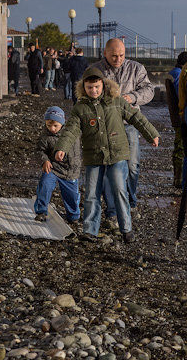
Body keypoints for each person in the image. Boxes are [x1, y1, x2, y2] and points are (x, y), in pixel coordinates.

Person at [55, 66, 159, 242]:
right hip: (94, 156)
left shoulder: (116, 101)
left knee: (119, 189)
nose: (93, 90)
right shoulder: (80, 108)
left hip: (117, 154)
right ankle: (90, 230)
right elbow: (71, 130)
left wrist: (152, 134)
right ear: (83, 88)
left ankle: (126, 228)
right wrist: (62, 148)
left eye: (97, 87)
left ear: (103, 84)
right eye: (89, 88)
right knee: (91, 193)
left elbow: (135, 117)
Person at [94, 38, 155, 219]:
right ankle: (112, 210)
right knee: (108, 167)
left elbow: (149, 90)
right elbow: (85, 92)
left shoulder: (136, 68)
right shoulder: (96, 70)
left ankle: (130, 200)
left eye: (121, 55)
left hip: (130, 124)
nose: (118, 59)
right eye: (113, 56)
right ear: (105, 53)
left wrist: (133, 97)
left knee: (132, 166)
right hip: (104, 124)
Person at [34, 106, 81, 224]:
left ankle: (73, 215)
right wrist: (44, 160)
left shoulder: (72, 132)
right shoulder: (45, 137)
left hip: (70, 170)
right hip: (53, 168)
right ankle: (41, 211)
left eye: (55, 125)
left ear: (62, 123)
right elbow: (39, 150)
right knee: (45, 185)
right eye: (49, 125)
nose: (52, 128)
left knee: (72, 196)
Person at [165, 51, 187, 186]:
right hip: (181, 117)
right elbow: (181, 94)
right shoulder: (178, 74)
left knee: (179, 147)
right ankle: (179, 179)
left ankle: (178, 178)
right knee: (181, 147)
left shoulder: (174, 72)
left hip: (176, 116)